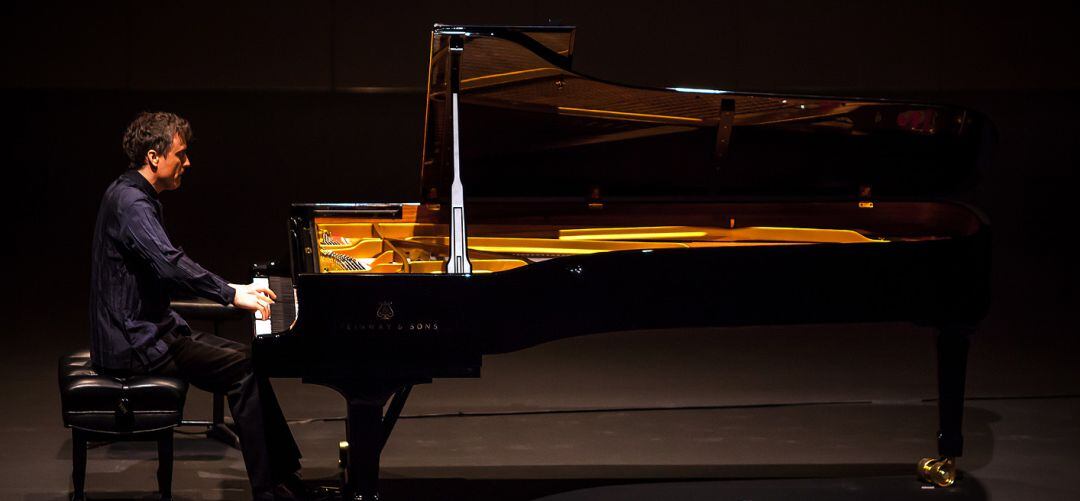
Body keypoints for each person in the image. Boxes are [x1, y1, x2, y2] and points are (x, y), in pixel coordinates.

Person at [89, 111, 308, 500]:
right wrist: (231, 294)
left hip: (148, 331)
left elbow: (162, 267)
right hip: (134, 345)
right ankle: (269, 489)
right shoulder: (132, 204)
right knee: (245, 368)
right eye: (181, 154)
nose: (187, 163)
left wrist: (232, 288)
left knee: (250, 359)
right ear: (155, 157)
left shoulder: (133, 195)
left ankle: (284, 474)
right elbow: (169, 263)